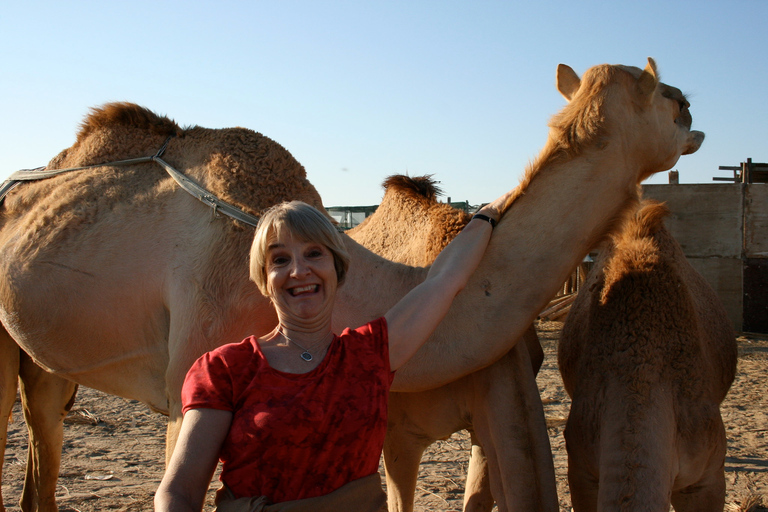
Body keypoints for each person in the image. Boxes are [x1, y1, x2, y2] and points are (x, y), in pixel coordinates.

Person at [154, 192, 511, 512]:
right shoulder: (225, 369)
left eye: (313, 253)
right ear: (264, 278)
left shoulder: (369, 355)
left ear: (336, 268)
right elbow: (180, 492)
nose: (298, 270)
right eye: (279, 260)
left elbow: (444, 281)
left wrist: (488, 214)